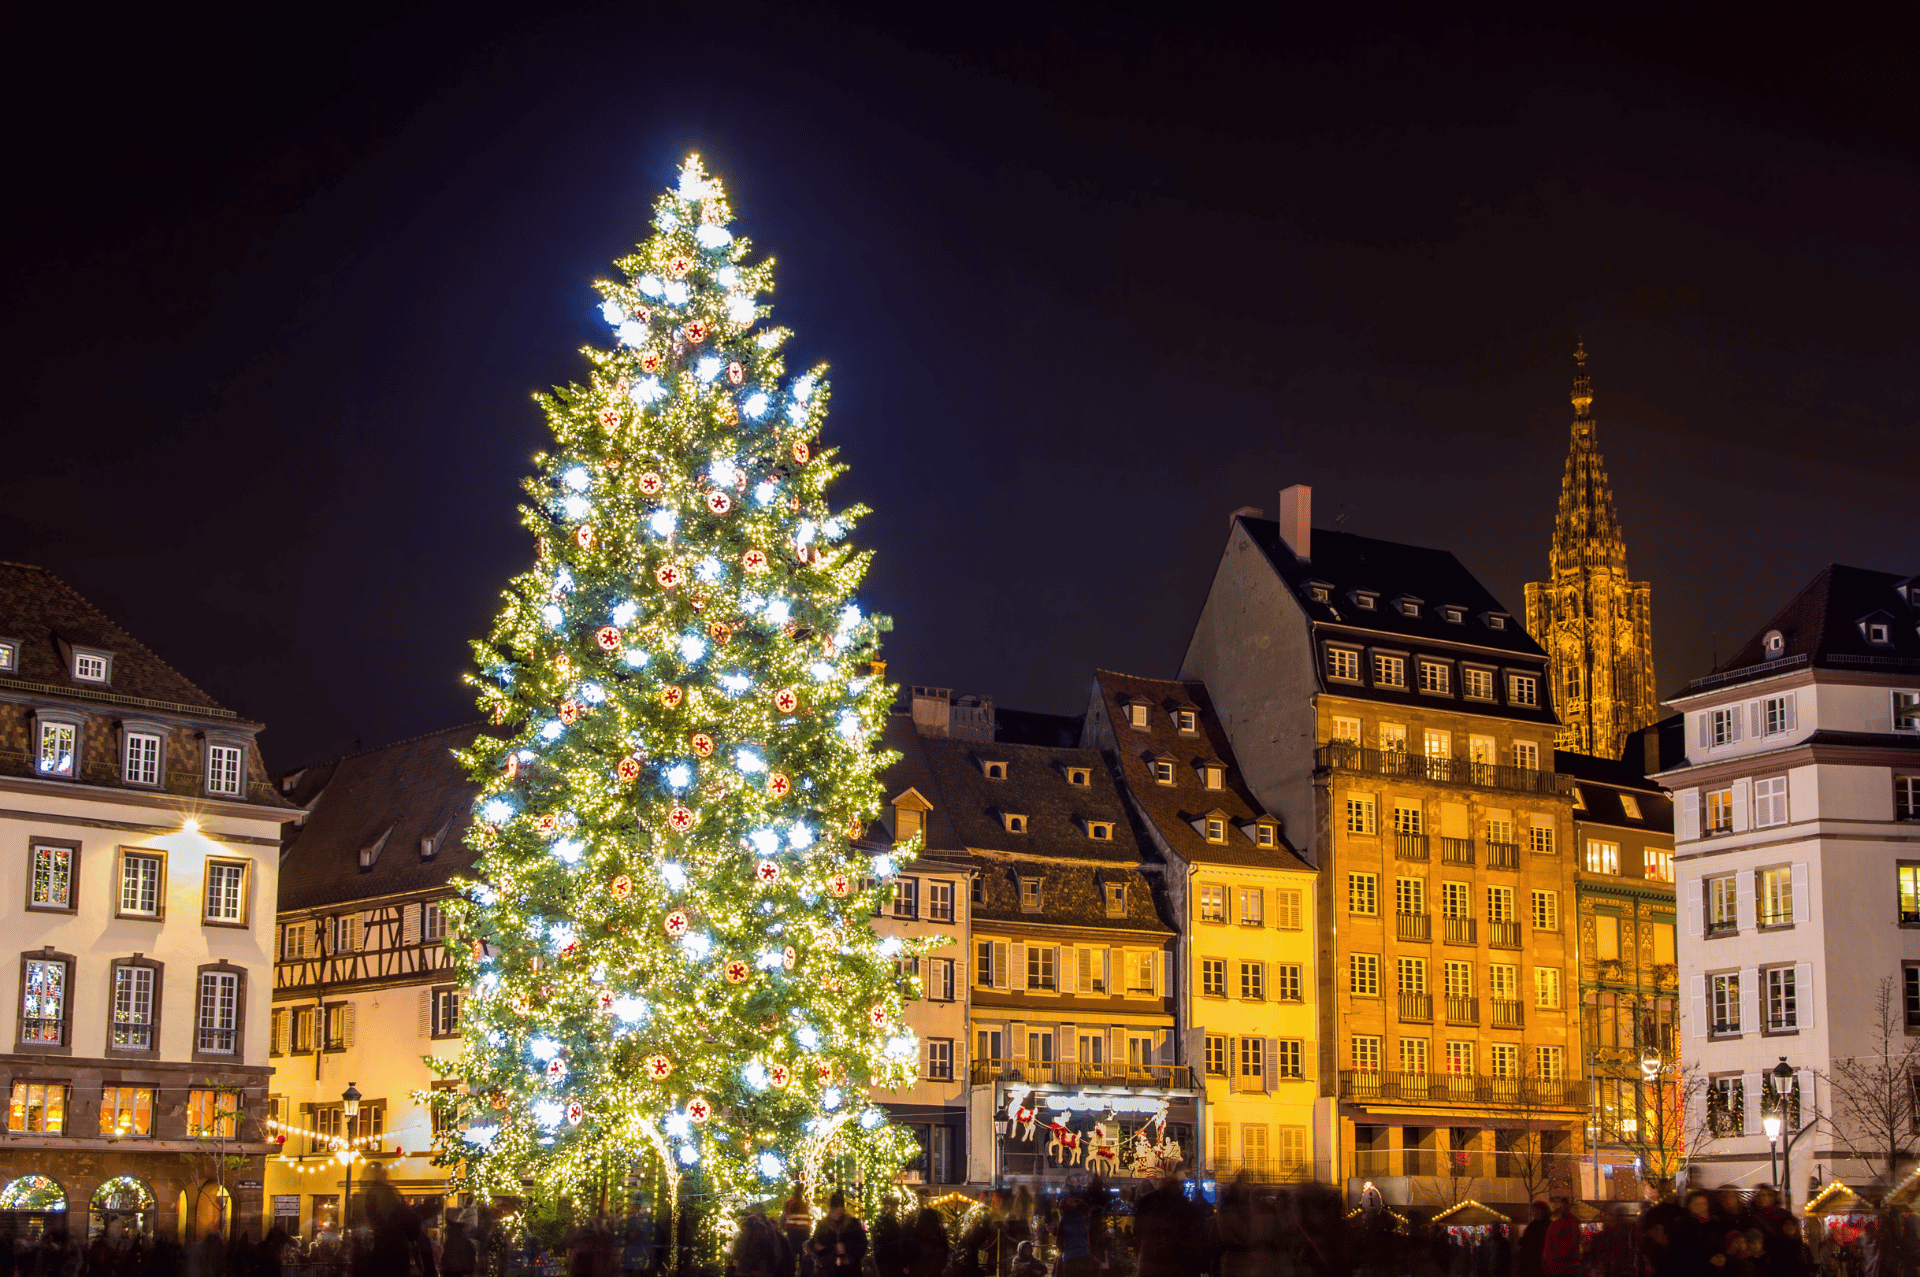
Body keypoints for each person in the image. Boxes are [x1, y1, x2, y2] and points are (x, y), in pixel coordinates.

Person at [809, 1193, 867, 1277]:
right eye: (834, 1210)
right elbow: (813, 1242)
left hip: (849, 1270)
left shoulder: (852, 1224)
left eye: (839, 1210)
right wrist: (817, 1247)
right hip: (828, 1270)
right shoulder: (823, 1225)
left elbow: (862, 1245)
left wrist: (846, 1247)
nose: (837, 1213)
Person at [782, 1188, 812, 1277]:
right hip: (803, 1232)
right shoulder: (804, 1204)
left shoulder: (789, 1203)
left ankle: (791, 1273)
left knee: (792, 1256)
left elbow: (786, 1218)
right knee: (803, 1256)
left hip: (792, 1233)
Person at [1517, 1203, 1550, 1277]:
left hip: (1535, 1263)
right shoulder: (1536, 1225)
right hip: (1534, 1263)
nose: (1533, 1214)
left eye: (1534, 1211)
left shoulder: (1536, 1226)